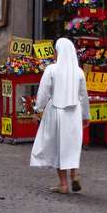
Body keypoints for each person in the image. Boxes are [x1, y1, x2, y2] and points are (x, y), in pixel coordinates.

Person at [30, 38, 90, 194]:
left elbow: (43, 92)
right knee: (72, 144)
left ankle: (63, 184)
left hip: (56, 111)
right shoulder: (79, 72)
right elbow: (83, 95)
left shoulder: (52, 69)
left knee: (58, 146)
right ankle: (75, 173)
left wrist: (38, 109)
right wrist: (86, 115)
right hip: (74, 112)